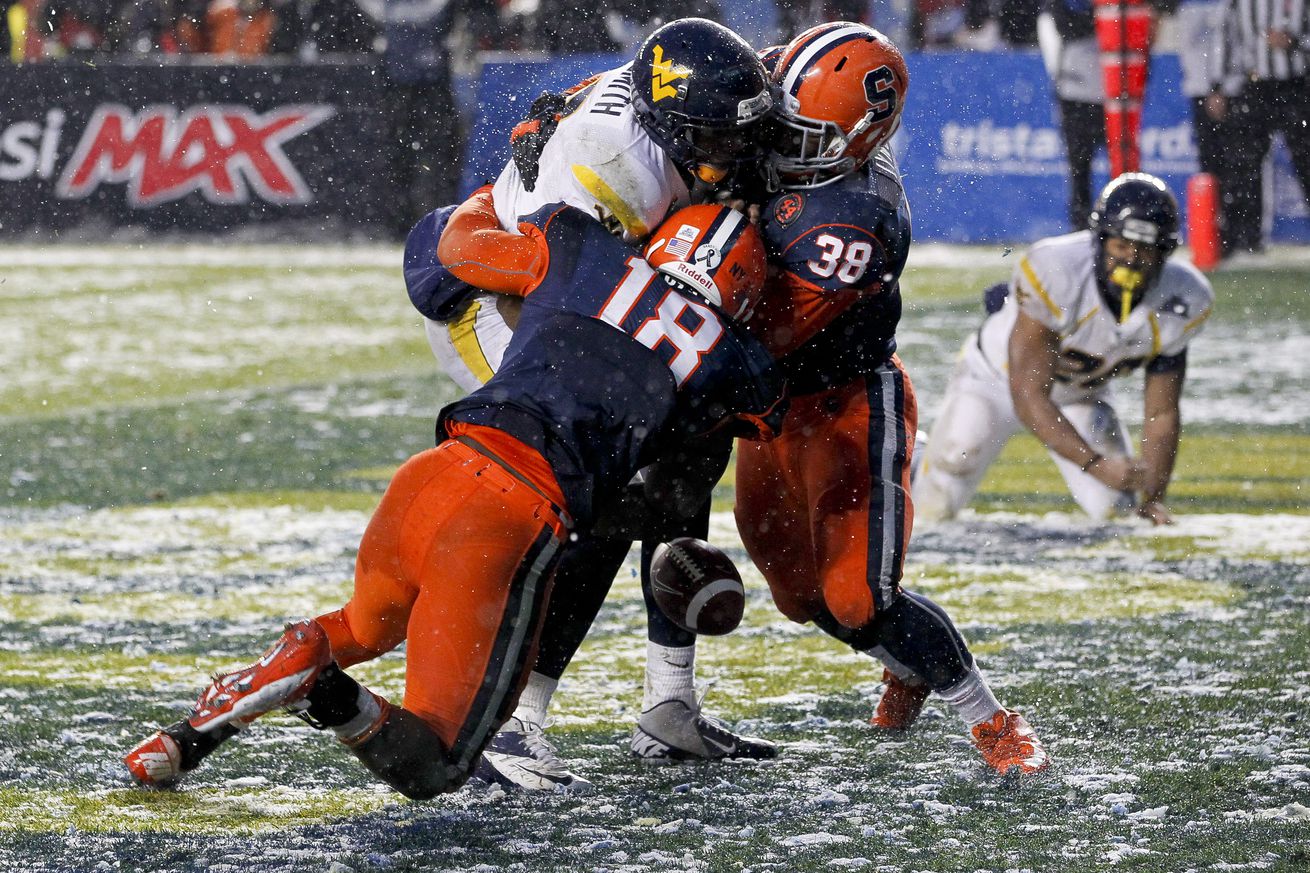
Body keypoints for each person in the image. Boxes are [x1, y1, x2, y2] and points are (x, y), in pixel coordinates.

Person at [122, 201, 786, 797]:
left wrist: (482, 202)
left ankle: (185, 739)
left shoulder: (581, 244)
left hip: (434, 470)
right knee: (437, 763)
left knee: (362, 625)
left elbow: (457, 247)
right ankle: (320, 689)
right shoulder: (734, 364)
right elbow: (686, 477)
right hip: (511, 515)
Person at [409, 18, 777, 791]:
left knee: (689, 453)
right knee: (597, 481)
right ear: (674, 130)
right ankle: (512, 720)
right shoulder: (614, 172)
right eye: (716, 140)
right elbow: (545, 292)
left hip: (590, 284)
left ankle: (668, 705)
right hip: (502, 301)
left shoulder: (659, 103)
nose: (734, 157)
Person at [734, 21, 1050, 778]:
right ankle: (904, 660)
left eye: (801, 131)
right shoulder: (784, 104)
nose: (781, 141)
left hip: (844, 404)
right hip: (767, 407)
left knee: (858, 597)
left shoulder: (855, 214)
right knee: (794, 593)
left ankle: (989, 716)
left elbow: (768, 332)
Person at [914, 173, 1214, 525]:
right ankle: (918, 456)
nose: (1131, 259)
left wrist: (1154, 497)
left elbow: (1161, 412)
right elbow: (1028, 395)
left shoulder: (1184, 298)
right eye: (1122, 245)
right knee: (932, 504)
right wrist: (1096, 465)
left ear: (1165, 252)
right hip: (994, 379)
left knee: (1119, 513)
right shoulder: (1057, 270)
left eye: (1145, 249)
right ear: (1100, 241)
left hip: (1080, 393)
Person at [1204, 0, 1310, 257]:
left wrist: (1295, 42)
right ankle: (1246, 239)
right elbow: (1224, 36)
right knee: (1244, 164)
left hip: (1296, 85)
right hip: (1254, 87)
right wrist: (1217, 86)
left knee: (1306, 160)